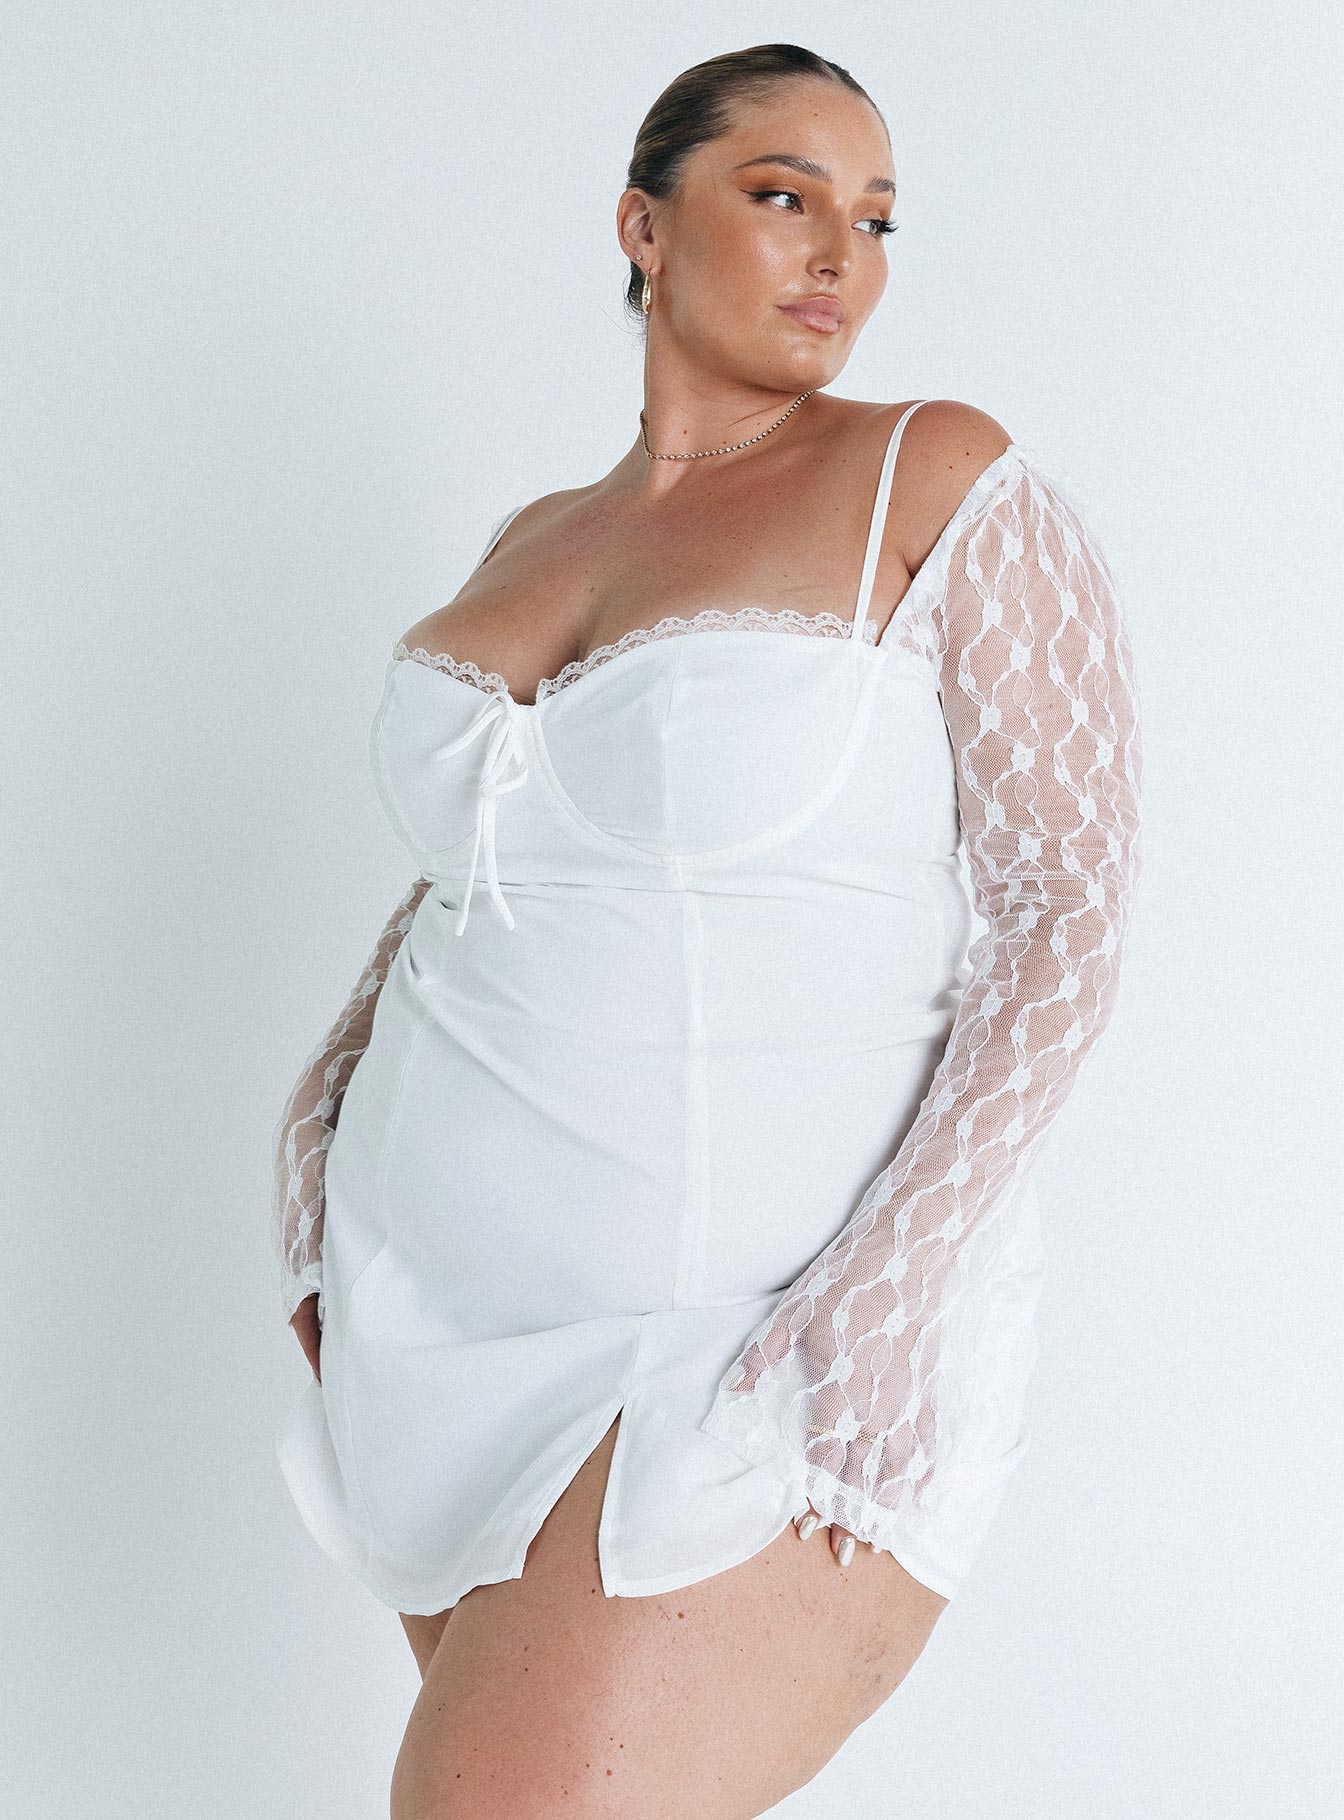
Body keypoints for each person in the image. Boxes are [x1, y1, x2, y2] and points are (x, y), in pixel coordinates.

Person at [270, 42, 1143, 1819]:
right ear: (643, 225)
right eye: (784, 195)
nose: (842, 254)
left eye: (877, 218)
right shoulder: (537, 533)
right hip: (430, 1322)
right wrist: (313, 1133)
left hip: (743, 1334)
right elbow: (480, 876)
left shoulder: (929, 473)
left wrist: (892, 1281)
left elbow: (1067, 900)